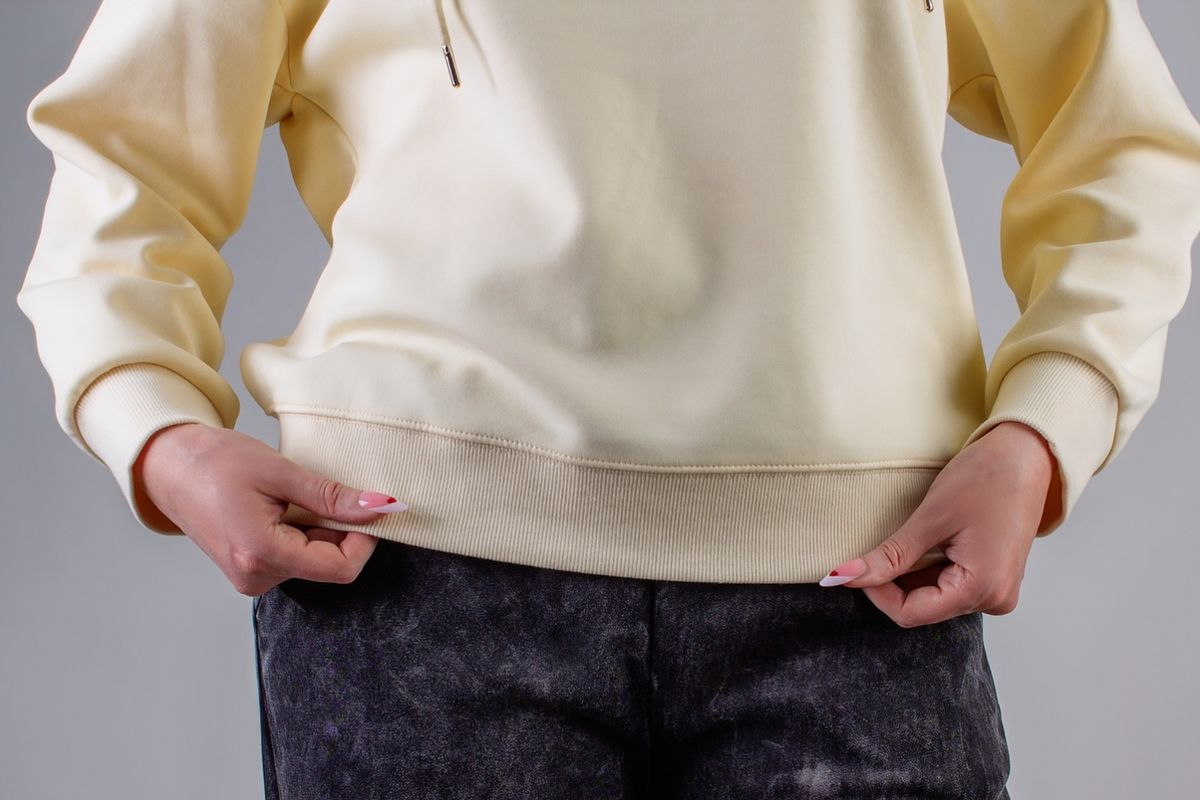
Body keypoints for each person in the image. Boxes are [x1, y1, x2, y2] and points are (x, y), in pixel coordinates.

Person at [16, 0, 1200, 797]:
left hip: (860, 590)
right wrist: (153, 424)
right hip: (415, 577)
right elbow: (130, 147)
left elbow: (1117, 141)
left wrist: (1047, 423)